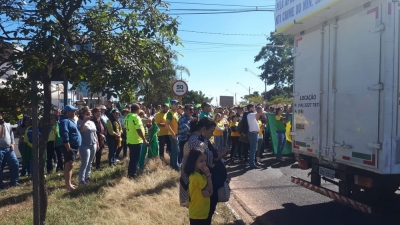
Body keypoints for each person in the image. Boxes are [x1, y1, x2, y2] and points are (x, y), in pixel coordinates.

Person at [180, 118, 229, 225]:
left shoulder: (200, 139)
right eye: (211, 131)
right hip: (202, 187)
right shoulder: (196, 141)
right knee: (202, 217)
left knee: (206, 214)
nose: (212, 134)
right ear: (203, 129)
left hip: (205, 183)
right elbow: (209, 159)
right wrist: (220, 153)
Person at [184, 148, 213, 225]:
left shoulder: (200, 174)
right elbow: (210, 190)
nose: (204, 163)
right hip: (198, 213)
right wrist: (208, 174)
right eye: (201, 161)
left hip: (201, 212)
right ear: (193, 162)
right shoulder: (196, 177)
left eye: (205, 161)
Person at [59, 105, 82, 191]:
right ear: (67, 112)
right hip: (69, 146)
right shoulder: (64, 121)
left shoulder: (70, 120)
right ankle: (68, 186)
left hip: (74, 145)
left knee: (71, 165)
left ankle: (69, 183)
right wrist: (67, 144)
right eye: (72, 111)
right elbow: (64, 132)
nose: (74, 112)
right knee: (69, 165)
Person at [125, 104, 148, 179]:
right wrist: (144, 139)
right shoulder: (136, 117)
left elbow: (125, 128)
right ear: (137, 109)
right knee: (135, 159)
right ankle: (133, 175)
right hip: (136, 141)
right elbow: (138, 129)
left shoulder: (127, 116)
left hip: (130, 140)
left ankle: (130, 173)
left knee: (132, 158)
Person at [77, 108, 97, 185]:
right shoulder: (80, 122)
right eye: (87, 113)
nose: (89, 115)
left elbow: (95, 133)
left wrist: (97, 143)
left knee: (90, 162)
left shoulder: (92, 122)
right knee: (84, 162)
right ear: (82, 114)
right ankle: (81, 179)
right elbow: (80, 131)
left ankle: (87, 176)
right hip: (84, 145)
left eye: (89, 113)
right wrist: (84, 122)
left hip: (93, 144)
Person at [0, 113, 19, 189]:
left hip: (9, 148)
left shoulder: (7, 125)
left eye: (1, 118)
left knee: (15, 163)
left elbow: (11, 134)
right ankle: (0, 183)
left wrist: (13, 143)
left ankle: (14, 182)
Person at [246, 104, 264, 169]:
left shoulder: (251, 115)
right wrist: (263, 107)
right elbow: (260, 113)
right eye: (254, 107)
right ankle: (252, 164)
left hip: (254, 133)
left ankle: (252, 163)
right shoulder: (250, 114)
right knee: (253, 150)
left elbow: (258, 116)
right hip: (253, 133)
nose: (255, 108)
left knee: (253, 149)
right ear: (250, 108)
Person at [166, 100, 180, 170]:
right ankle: (174, 165)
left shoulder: (176, 113)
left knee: (176, 150)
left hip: (176, 134)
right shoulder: (170, 113)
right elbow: (167, 124)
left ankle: (174, 164)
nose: (177, 105)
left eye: (177, 104)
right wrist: (172, 133)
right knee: (175, 150)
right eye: (175, 104)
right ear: (172, 105)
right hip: (173, 134)